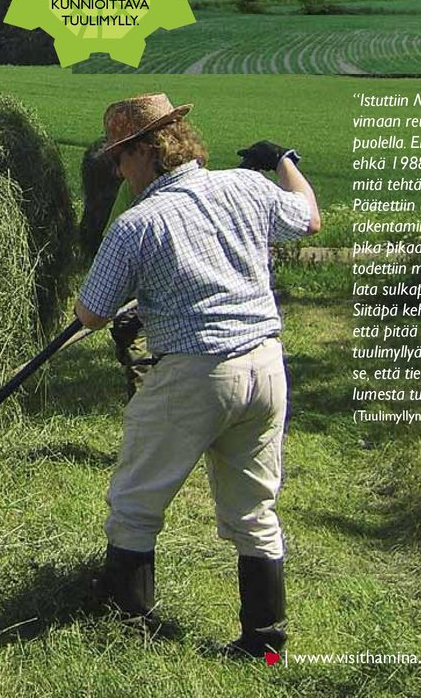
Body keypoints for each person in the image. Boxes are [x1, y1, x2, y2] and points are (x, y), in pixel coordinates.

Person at [74, 93, 321, 658]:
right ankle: (265, 643)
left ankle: (125, 629)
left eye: (119, 157)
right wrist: (285, 160)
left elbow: (91, 313)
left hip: (197, 373)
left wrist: (128, 300)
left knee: (135, 502)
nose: (116, 170)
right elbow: (309, 217)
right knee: (254, 509)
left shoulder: (139, 222)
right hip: (264, 366)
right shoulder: (245, 186)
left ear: (145, 151)